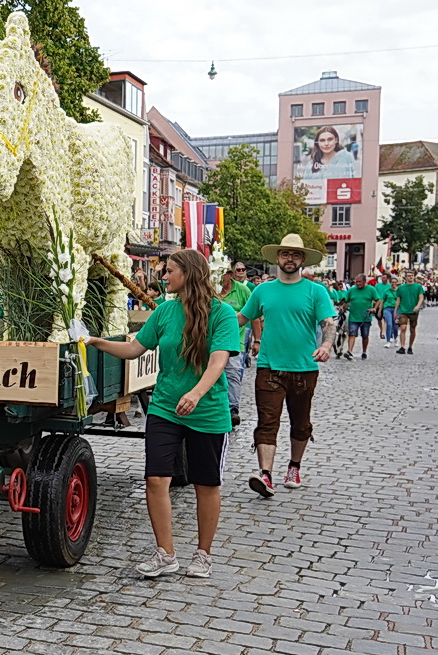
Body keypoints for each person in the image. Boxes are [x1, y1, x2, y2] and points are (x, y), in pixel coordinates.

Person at [90, 248, 239, 579]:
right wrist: (96, 342)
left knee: (206, 483)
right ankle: (166, 553)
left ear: (188, 274)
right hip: (166, 408)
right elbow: (133, 349)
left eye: (169, 270)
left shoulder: (222, 314)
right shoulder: (164, 312)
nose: (164, 276)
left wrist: (197, 393)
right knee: (156, 478)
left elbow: (219, 360)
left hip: (208, 411)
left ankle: (203, 554)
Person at [239, 233, 336, 497]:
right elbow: (242, 318)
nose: (289, 259)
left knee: (300, 422)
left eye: (295, 255)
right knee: (267, 421)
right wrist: (210, 326)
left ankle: (294, 466)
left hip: (304, 368)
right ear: (277, 258)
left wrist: (326, 346)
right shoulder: (262, 290)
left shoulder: (316, 291)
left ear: (302, 260)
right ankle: (266, 475)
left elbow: (328, 323)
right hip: (269, 366)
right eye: (285, 254)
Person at [219, 260, 252, 426]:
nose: (219, 278)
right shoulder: (211, 290)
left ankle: (233, 409)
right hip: (213, 341)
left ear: (230, 275)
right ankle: (218, 406)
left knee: (232, 373)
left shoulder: (243, 291)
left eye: (222, 274)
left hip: (235, 341)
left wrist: (257, 340)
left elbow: (254, 315)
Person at [344, 276, 374, 359]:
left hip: (366, 316)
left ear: (364, 281)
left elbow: (378, 299)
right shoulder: (351, 290)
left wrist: (374, 308)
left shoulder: (371, 289)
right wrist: (342, 306)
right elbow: (346, 300)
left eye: (359, 282)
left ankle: (364, 352)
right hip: (353, 316)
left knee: (365, 335)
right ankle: (349, 351)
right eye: (356, 282)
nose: (357, 283)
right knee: (352, 334)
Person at [395, 275, 425, 354]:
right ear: (406, 277)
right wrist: (395, 311)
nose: (410, 277)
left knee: (412, 329)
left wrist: (418, 306)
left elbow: (421, 297)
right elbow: (398, 300)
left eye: (412, 276)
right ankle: (402, 347)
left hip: (413, 311)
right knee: (403, 328)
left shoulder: (418, 287)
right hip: (403, 310)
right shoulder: (401, 288)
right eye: (408, 276)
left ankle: (410, 347)